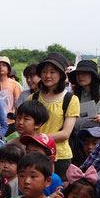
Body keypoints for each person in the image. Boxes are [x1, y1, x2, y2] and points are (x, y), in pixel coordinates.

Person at [28, 52, 80, 180]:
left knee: (58, 194)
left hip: (60, 157)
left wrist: (37, 139)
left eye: (52, 72)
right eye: (44, 71)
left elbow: (65, 134)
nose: (47, 75)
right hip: (34, 155)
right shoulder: (33, 98)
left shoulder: (70, 99)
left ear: (62, 73)